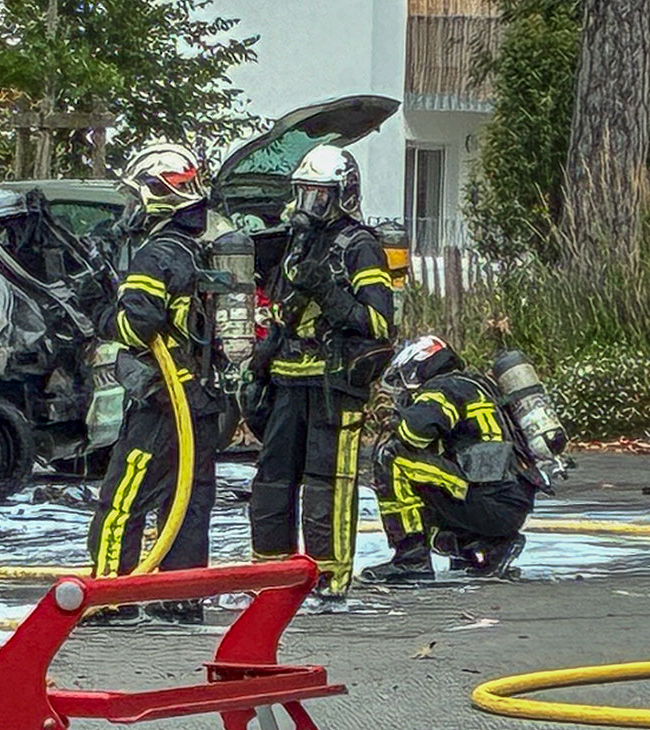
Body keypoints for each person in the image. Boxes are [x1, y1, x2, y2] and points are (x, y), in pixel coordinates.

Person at [85, 143, 227, 625]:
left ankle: (110, 595)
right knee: (187, 499)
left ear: (157, 194)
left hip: (163, 399)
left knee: (123, 497)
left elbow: (139, 325)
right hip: (203, 398)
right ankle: (181, 596)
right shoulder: (197, 246)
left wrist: (102, 314)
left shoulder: (156, 253)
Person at [248, 145, 395, 603]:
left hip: (334, 386)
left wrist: (328, 290)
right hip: (288, 379)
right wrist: (261, 361)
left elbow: (378, 323)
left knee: (326, 486)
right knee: (272, 481)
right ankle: (270, 576)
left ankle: (329, 578)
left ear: (342, 195)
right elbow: (278, 310)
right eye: (304, 192)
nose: (309, 203)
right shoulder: (296, 241)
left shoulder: (362, 246)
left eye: (319, 194)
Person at [359, 336, 537, 583]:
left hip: (489, 499)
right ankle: (485, 547)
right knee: (431, 475)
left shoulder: (442, 389)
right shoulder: (476, 386)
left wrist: (393, 418)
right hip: (509, 502)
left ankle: (411, 559)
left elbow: (414, 434)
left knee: (392, 458)